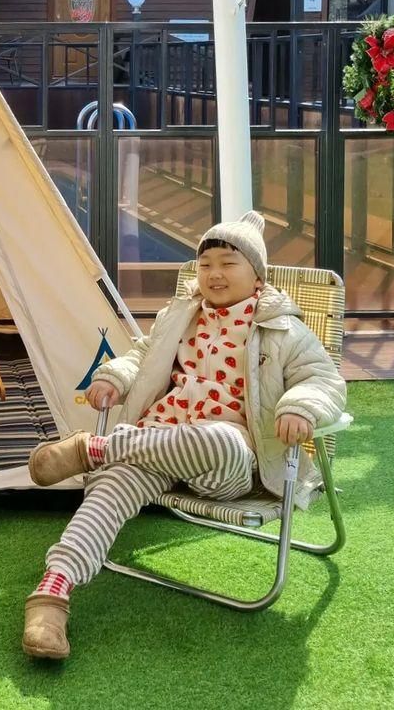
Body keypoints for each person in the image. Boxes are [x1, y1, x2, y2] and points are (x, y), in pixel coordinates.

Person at [22, 210, 346, 659]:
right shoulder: (181, 315)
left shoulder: (283, 328)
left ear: (257, 276)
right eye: (205, 264)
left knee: (219, 439)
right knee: (111, 488)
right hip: (158, 442)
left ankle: (94, 449)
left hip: (228, 461)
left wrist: (300, 406)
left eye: (228, 263)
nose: (214, 273)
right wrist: (115, 376)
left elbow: (324, 380)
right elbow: (142, 356)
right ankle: (51, 596)